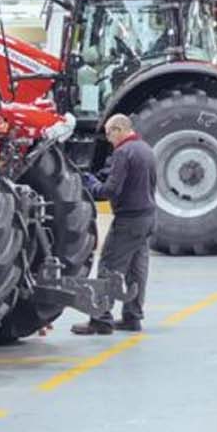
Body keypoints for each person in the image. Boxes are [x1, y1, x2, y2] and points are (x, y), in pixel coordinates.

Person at [73, 114, 157, 335]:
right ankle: (132, 317)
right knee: (137, 270)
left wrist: (89, 182)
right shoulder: (146, 149)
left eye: (109, 134)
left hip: (128, 220)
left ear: (119, 130)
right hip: (147, 218)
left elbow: (109, 191)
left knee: (109, 266)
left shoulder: (123, 153)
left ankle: (101, 318)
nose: (109, 139)